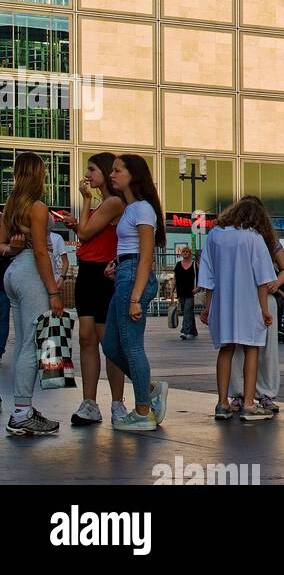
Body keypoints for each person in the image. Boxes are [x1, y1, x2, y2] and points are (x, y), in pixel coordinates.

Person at [0, 152, 65, 436]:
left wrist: (12, 248)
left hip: (14, 271)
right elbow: (41, 251)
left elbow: (1, 245)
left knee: (23, 342)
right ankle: (22, 411)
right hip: (31, 272)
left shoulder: (12, 206)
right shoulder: (37, 207)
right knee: (32, 343)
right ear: (38, 174)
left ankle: (21, 408)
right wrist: (54, 290)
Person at [198, 196, 278, 422]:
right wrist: (265, 310)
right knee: (252, 349)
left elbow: (208, 275)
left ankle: (222, 403)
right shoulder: (253, 237)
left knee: (226, 349)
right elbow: (262, 279)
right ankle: (249, 404)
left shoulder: (214, 235)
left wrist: (207, 307)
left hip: (223, 303)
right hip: (249, 302)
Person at [100, 154, 165, 432]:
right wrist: (117, 264)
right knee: (111, 345)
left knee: (131, 345)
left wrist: (136, 297)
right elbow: (133, 251)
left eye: (117, 170)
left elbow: (146, 256)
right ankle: (149, 388)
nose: (111, 174)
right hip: (125, 275)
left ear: (133, 175)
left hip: (133, 279)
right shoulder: (130, 209)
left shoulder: (142, 209)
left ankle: (142, 412)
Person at [68, 152, 127, 426]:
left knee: (108, 342)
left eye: (92, 169)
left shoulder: (113, 202)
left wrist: (86, 199)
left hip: (103, 273)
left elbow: (84, 233)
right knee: (87, 338)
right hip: (88, 273)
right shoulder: (104, 203)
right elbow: (84, 231)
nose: (88, 175)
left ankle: (117, 403)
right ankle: (90, 402)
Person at [229, 201, 284, 413]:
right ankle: (256, 393)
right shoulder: (263, 239)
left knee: (241, 347)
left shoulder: (267, 240)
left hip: (249, 297)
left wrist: (275, 282)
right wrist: (276, 282)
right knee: (262, 348)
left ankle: (245, 393)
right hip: (255, 297)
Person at [172, 244, 198, 341]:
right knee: (187, 311)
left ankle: (184, 331)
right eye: (184, 251)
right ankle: (193, 331)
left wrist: (198, 288)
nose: (186, 253)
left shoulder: (195, 264)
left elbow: (200, 277)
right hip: (180, 291)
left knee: (187, 311)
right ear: (181, 253)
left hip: (191, 292)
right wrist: (172, 291)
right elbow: (175, 279)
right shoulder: (178, 265)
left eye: (188, 252)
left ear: (190, 254)